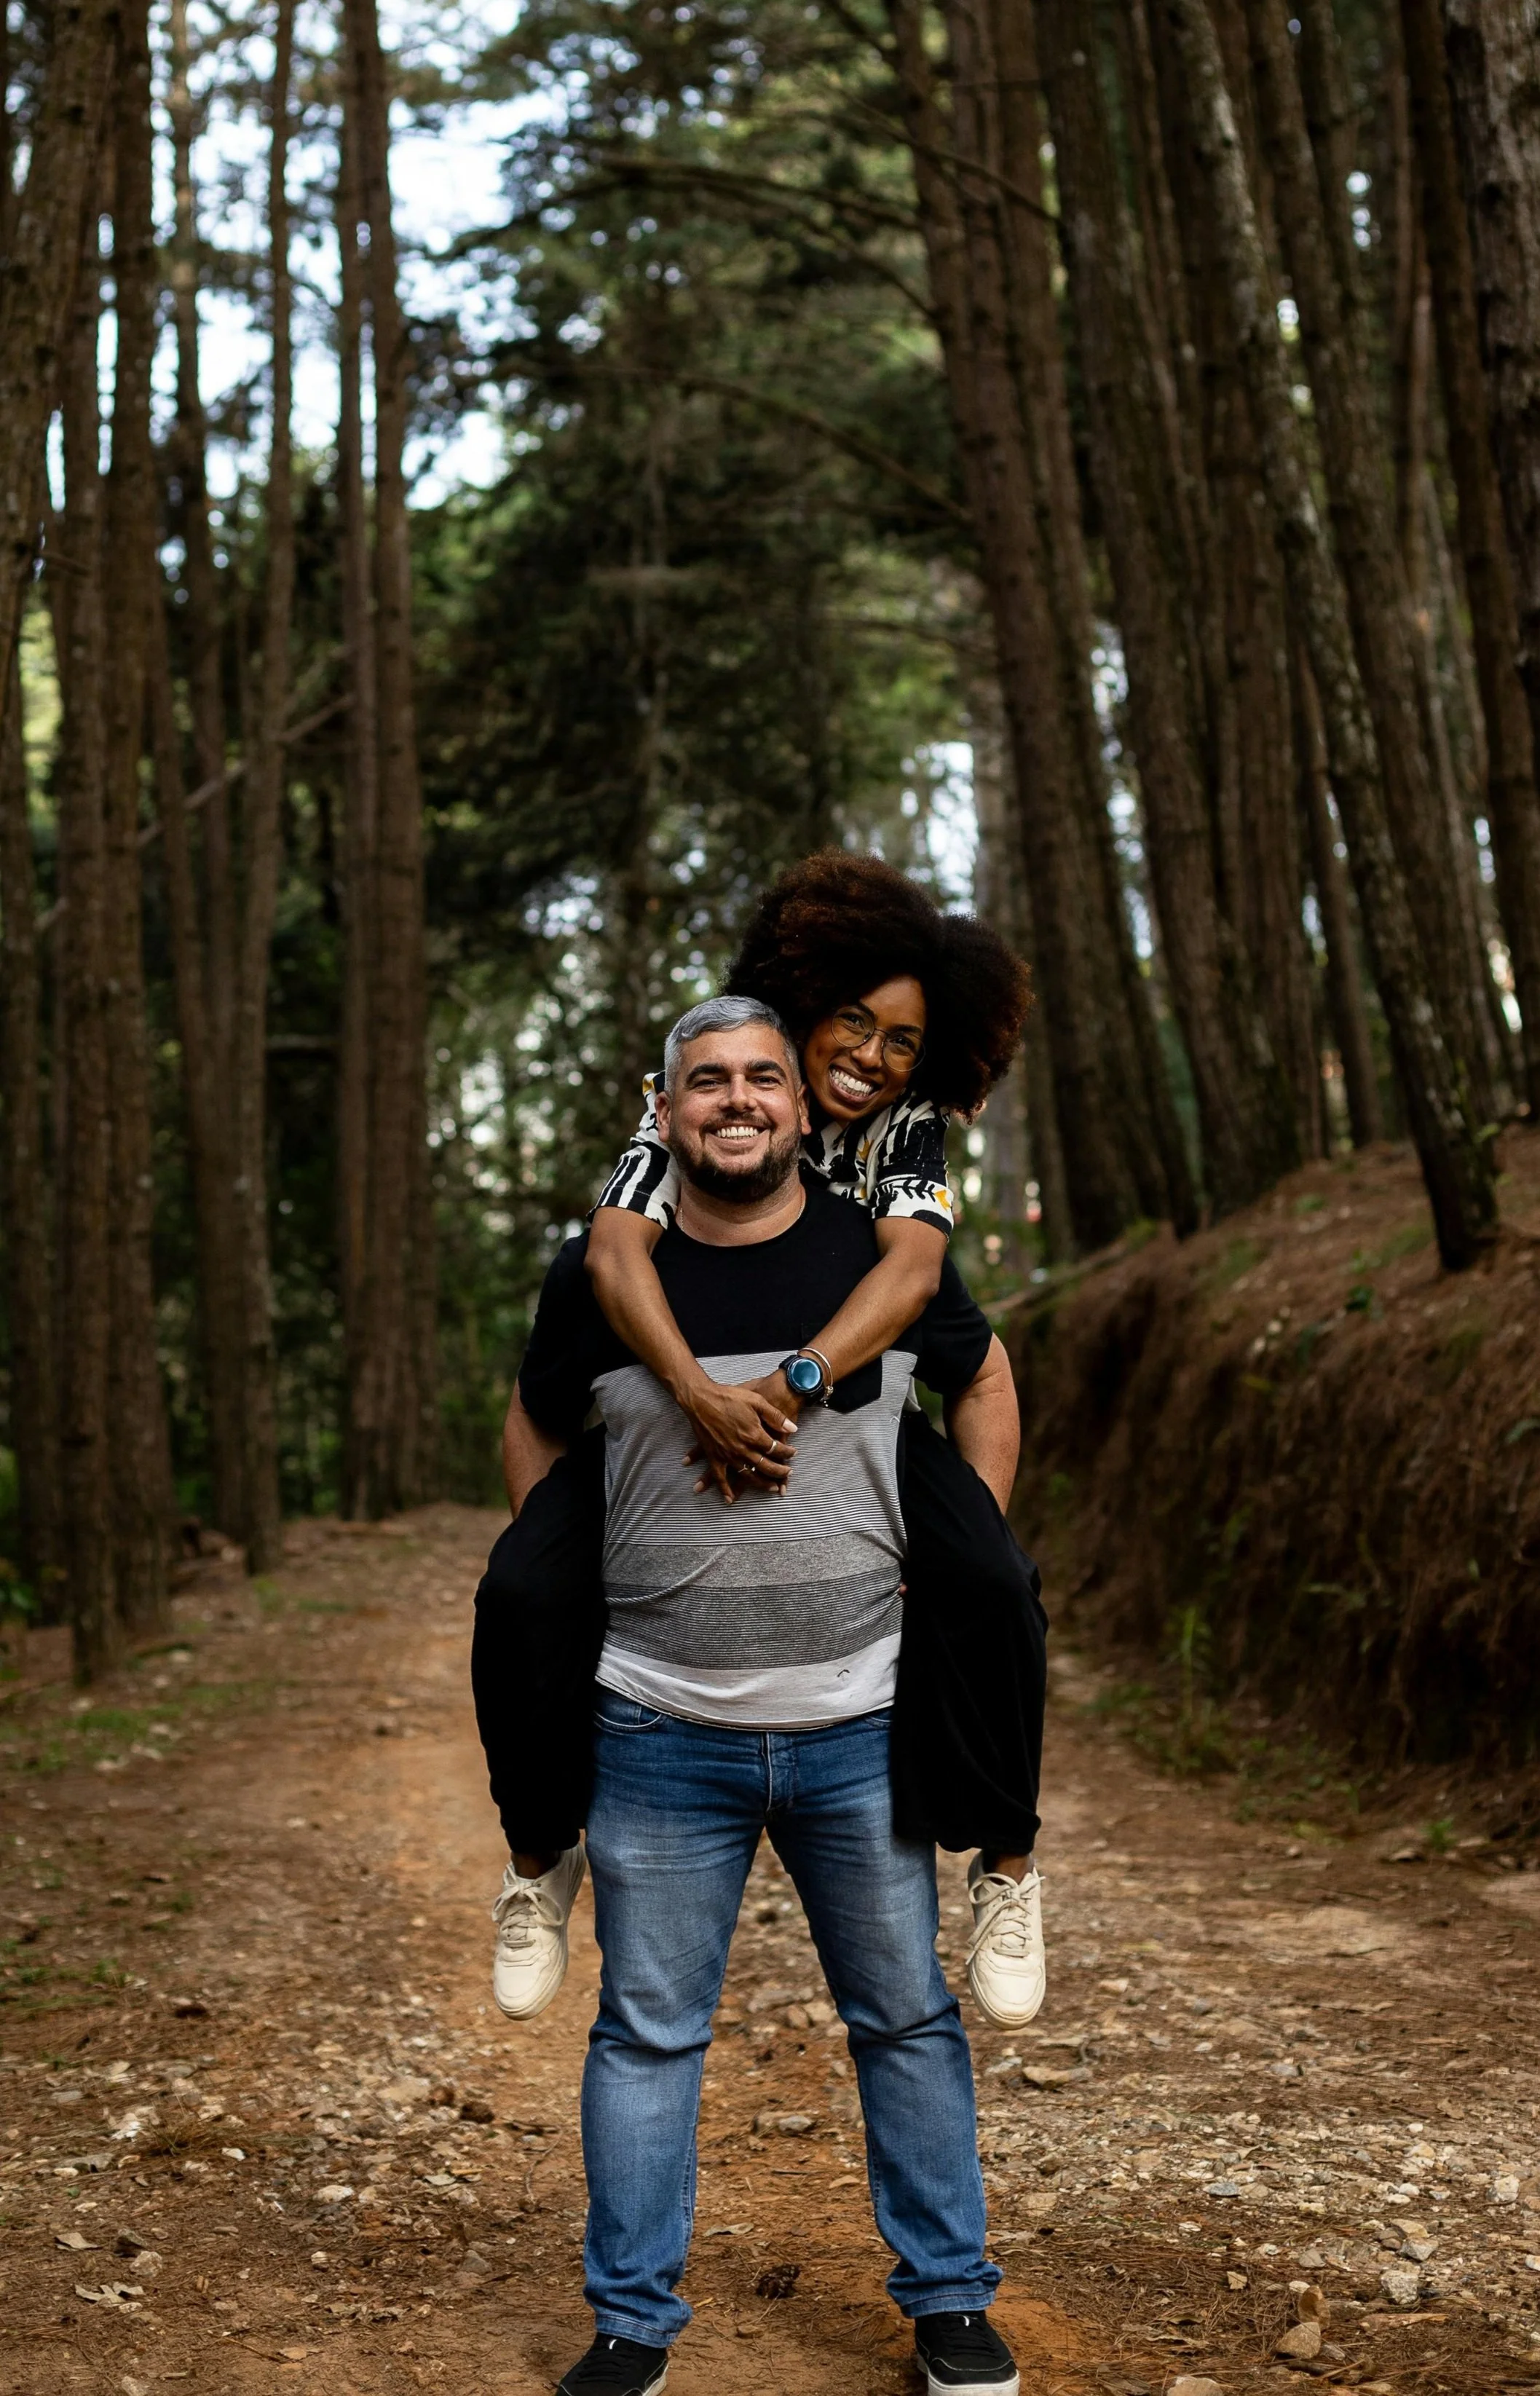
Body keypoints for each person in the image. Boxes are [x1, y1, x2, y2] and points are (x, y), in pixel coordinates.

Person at [507, 996, 1024, 2396]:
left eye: (762, 1080)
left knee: (905, 2018)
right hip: (657, 1726)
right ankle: (629, 2324)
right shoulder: (603, 1273)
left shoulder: (881, 1255)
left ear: (803, 1108)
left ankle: (950, 2305)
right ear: (664, 1111)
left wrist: (959, 1552)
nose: (736, 1101)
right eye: (706, 1084)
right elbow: (537, 1423)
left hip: (860, 1720)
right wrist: (570, 1577)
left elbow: (983, 1386)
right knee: (647, 2030)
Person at [473, 854, 1046, 2033]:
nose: (872, 1055)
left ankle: (1007, 1863)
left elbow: (918, 1271)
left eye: (902, 1039)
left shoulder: (909, 1126)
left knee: (992, 1580)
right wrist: (694, 1395)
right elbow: (614, 1253)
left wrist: (791, 1387)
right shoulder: (710, 1093)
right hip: (679, 1400)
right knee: (524, 1588)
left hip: (845, 1405)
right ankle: (539, 1855)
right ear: (803, 998)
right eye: (854, 1019)